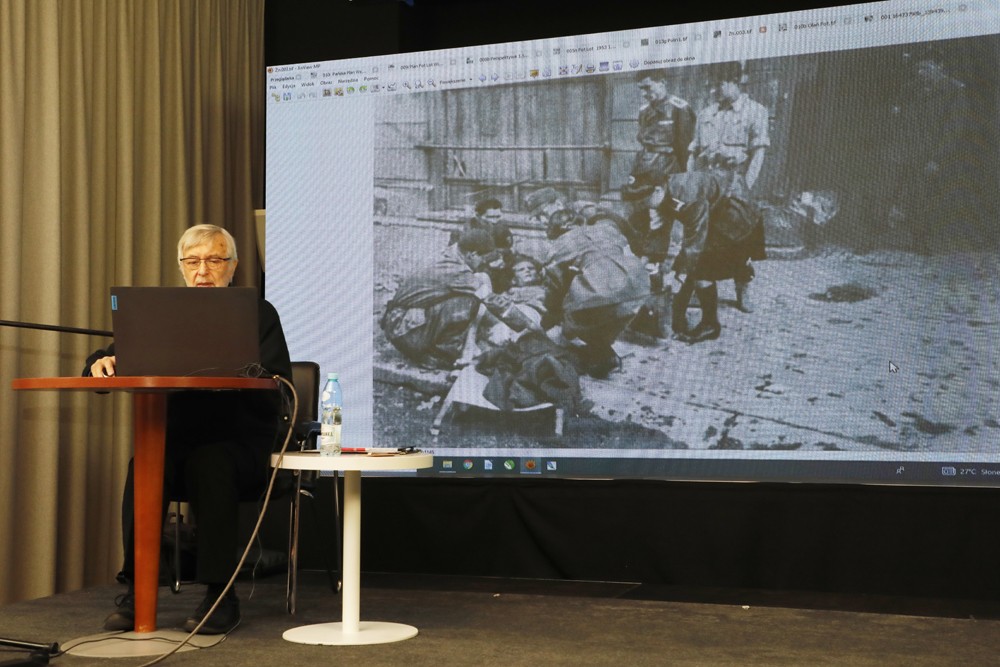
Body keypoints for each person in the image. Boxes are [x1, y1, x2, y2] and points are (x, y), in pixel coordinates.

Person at [85, 225, 292, 635]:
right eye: (193, 261)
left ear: (232, 266)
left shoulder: (257, 313)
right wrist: (98, 362)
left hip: (240, 446)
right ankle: (138, 589)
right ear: (181, 267)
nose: (203, 270)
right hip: (176, 445)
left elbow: (278, 381)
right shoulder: (162, 315)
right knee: (145, 464)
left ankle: (221, 595)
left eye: (214, 260)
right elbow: (114, 357)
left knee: (210, 462)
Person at [623, 164, 765, 344]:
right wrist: (641, 266)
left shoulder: (688, 195)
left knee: (701, 270)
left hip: (735, 215)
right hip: (712, 211)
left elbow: (694, 241)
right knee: (688, 264)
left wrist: (678, 277)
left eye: (642, 199)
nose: (640, 204)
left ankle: (710, 325)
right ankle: (676, 318)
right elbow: (657, 234)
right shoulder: (661, 193)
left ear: (658, 190)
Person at [531, 190, 649, 378]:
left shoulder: (559, 247)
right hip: (638, 285)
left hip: (602, 291)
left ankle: (599, 356)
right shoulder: (605, 229)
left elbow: (555, 289)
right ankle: (605, 354)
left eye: (543, 216)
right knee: (599, 312)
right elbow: (627, 247)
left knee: (576, 316)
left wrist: (551, 319)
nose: (541, 220)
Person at [687, 61, 769, 313]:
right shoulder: (706, 114)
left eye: (719, 84)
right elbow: (694, 151)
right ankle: (701, 289)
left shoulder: (755, 111)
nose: (714, 90)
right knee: (703, 240)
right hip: (708, 186)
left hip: (736, 186)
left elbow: (758, 153)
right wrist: (691, 182)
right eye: (712, 85)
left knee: (740, 242)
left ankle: (742, 290)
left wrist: (746, 187)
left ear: (736, 81)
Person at [380, 229, 500, 370]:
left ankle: (431, 351)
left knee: (462, 298)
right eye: (483, 258)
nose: (483, 263)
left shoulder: (447, 255)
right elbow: (491, 299)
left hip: (397, 325)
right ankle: (438, 355)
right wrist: (518, 325)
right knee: (468, 302)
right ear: (472, 255)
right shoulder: (457, 271)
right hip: (404, 332)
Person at [634, 70, 696, 177]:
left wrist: (682, 174)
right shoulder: (644, 111)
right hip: (645, 166)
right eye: (641, 89)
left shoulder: (679, 108)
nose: (643, 94)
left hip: (669, 168)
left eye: (647, 87)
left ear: (662, 82)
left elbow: (685, 147)